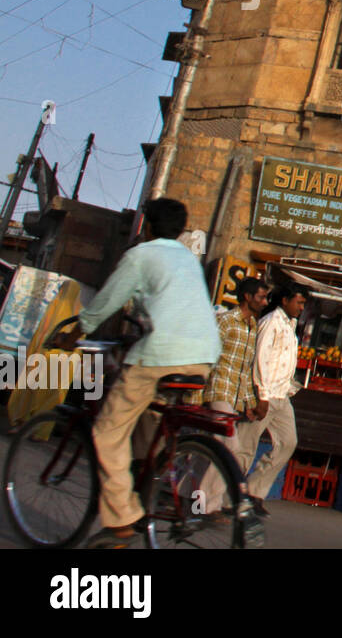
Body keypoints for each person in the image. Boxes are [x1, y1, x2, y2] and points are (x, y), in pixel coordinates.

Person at [54, 198, 221, 549]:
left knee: (106, 432)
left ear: (146, 225)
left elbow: (107, 301)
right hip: (203, 356)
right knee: (151, 416)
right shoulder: (188, 260)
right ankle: (149, 478)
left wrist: (76, 331)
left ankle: (122, 522)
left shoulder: (140, 255)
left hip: (163, 354)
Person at [197, 276, 268, 513]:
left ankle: (197, 500)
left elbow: (245, 369)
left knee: (215, 447)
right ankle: (207, 506)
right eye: (261, 297)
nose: (265, 302)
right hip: (218, 388)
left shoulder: (253, 327)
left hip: (234, 395)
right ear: (247, 297)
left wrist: (250, 402)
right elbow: (208, 355)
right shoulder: (226, 321)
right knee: (230, 445)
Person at [242, 284, 307, 514]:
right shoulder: (270, 322)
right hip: (264, 395)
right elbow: (260, 359)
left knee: (288, 442)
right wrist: (261, 395)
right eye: (298, 302)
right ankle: (225, 499)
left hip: (282, 396)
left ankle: (254, 491)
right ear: (285, 301)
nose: (301, 307)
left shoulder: (290, 325)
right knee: (245, 447)